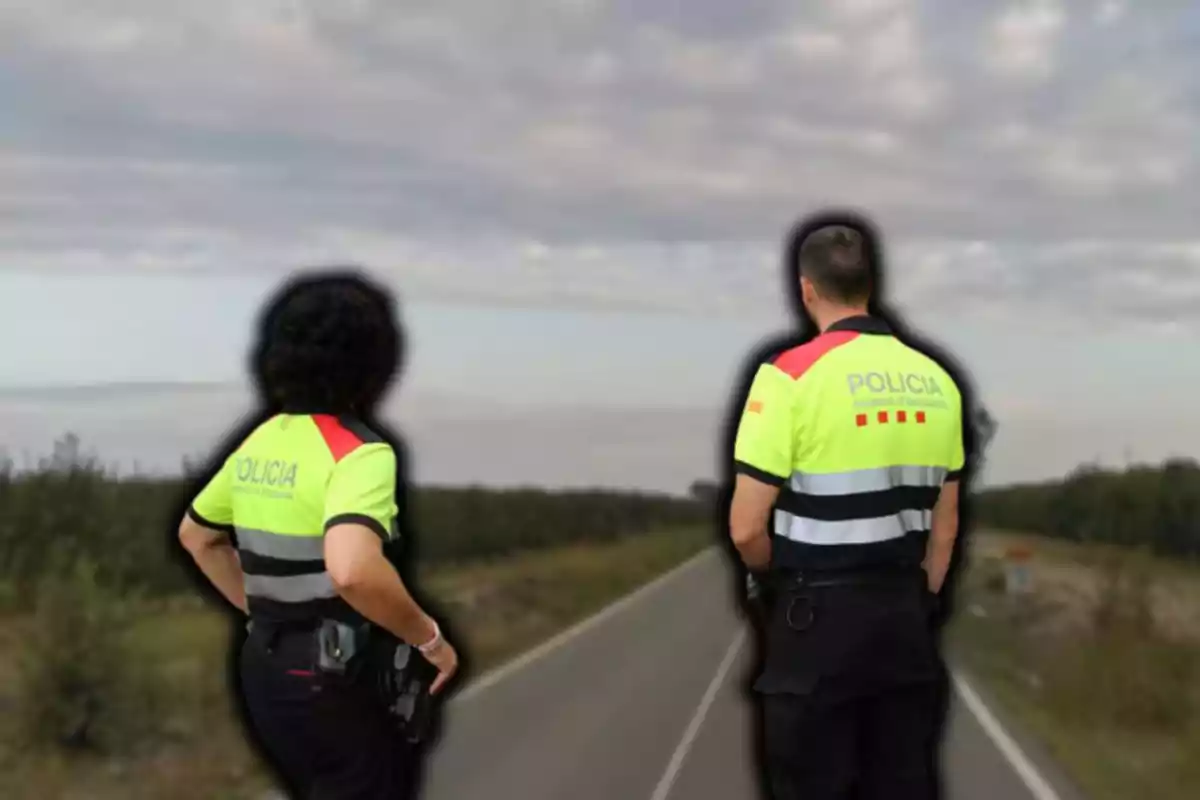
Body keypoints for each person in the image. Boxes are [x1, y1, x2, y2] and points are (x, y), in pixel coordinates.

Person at [176, 270, 459, 799]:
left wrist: (262, 611)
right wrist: (430, 639)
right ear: (373, 362)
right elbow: (353, 570)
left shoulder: (260, 441)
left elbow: (197, 536)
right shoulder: (360, 452)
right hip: (338, 676)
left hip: (263, 670)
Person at [728, 220, 966, 800]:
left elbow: (745, 528)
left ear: (806, 288)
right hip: (903, 624)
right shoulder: (938, 381)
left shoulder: (787, 377)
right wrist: (924, 598)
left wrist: (775, 582)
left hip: (815, 622)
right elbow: (946, 521)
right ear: (871, 283)